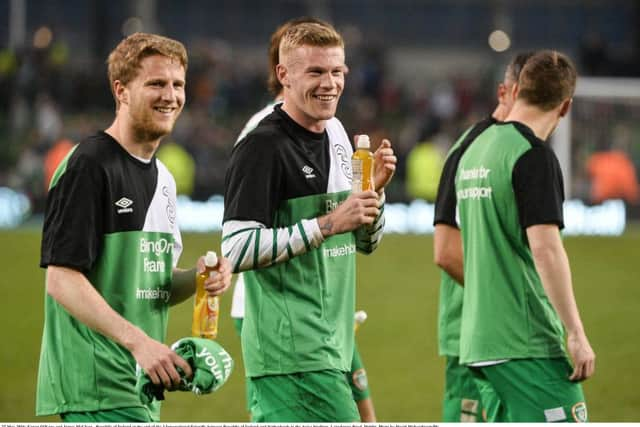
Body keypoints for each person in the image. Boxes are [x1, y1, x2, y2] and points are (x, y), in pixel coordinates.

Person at [36, 32, 232, 423]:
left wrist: (198, 277)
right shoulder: (89, 165)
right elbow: (61, 278)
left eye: (178, 85)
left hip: (138, 384)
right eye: (156, 83)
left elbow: (150, 283)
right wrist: (140, 342)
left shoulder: (163, 178)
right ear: (121, 90)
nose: (170, 95)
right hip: (96, 385)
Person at [222, 21, 395, 422]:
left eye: (337, 72)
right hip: (293, 352)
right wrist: (328, 223)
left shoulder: (336, 132)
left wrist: (375, 194)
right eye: (315, 72)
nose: (329, 83)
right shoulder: (261, 146)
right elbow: (236, 248)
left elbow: (366, 242)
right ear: (284, 75)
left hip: (331, 341)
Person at [455, 50, 595, 422]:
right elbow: (546, 250)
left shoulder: (473, 151)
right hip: (525, 340)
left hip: (477, 342)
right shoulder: (532, 156)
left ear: (517, 90)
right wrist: (576, 333)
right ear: (565, 107)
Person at [433, 52, 533, 422]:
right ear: (504, 92)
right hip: (474, 334)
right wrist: (507, 301)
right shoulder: (472, 149)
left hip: (510, 336)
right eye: (525, 100)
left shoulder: (517, 148)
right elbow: (446, 252)